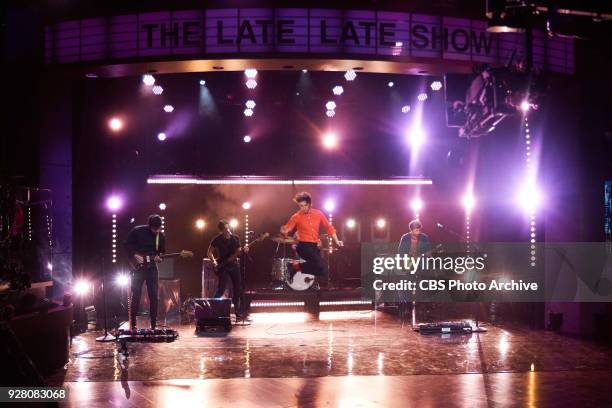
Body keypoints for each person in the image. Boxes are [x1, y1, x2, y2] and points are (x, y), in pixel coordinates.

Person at [280, 192, 343, 287]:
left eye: (305, 205)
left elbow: (329, 227)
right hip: (303, 246)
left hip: (314, 246)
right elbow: (288, 228)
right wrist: (284, 230)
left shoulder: (318, 213)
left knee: (322, 270)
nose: (303, 208)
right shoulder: (296, 216)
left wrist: (337, 241)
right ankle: (294, 268)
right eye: (301, 206)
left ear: (310, 204)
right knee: (320, 265)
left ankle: (294, 267)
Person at [124, 214, 165, 330]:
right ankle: (133, 324)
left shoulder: (160, 236)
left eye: (158, 228)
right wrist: (134, 255)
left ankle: (153, 324)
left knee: (154, 296)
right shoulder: (137, 231)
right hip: (138, 269)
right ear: (149, 225)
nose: (156, 231)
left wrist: (159, 257)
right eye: (154, 228)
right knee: (136, 295)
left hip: (152, 268)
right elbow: (126, 244)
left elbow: (162, 252)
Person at [207, 220, 248, 319]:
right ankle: (212, 308)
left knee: (237, 288)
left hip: (234, 265)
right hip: (223, 265)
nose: (227, 230)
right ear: (220, 231)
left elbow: (239, 252)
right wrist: (214, 261)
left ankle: (237, 311)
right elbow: (209, 252)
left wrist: (244, 250)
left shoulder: (235, 238)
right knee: (221, 289)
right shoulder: (217, 239)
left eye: (228, 228)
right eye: (225, 229)